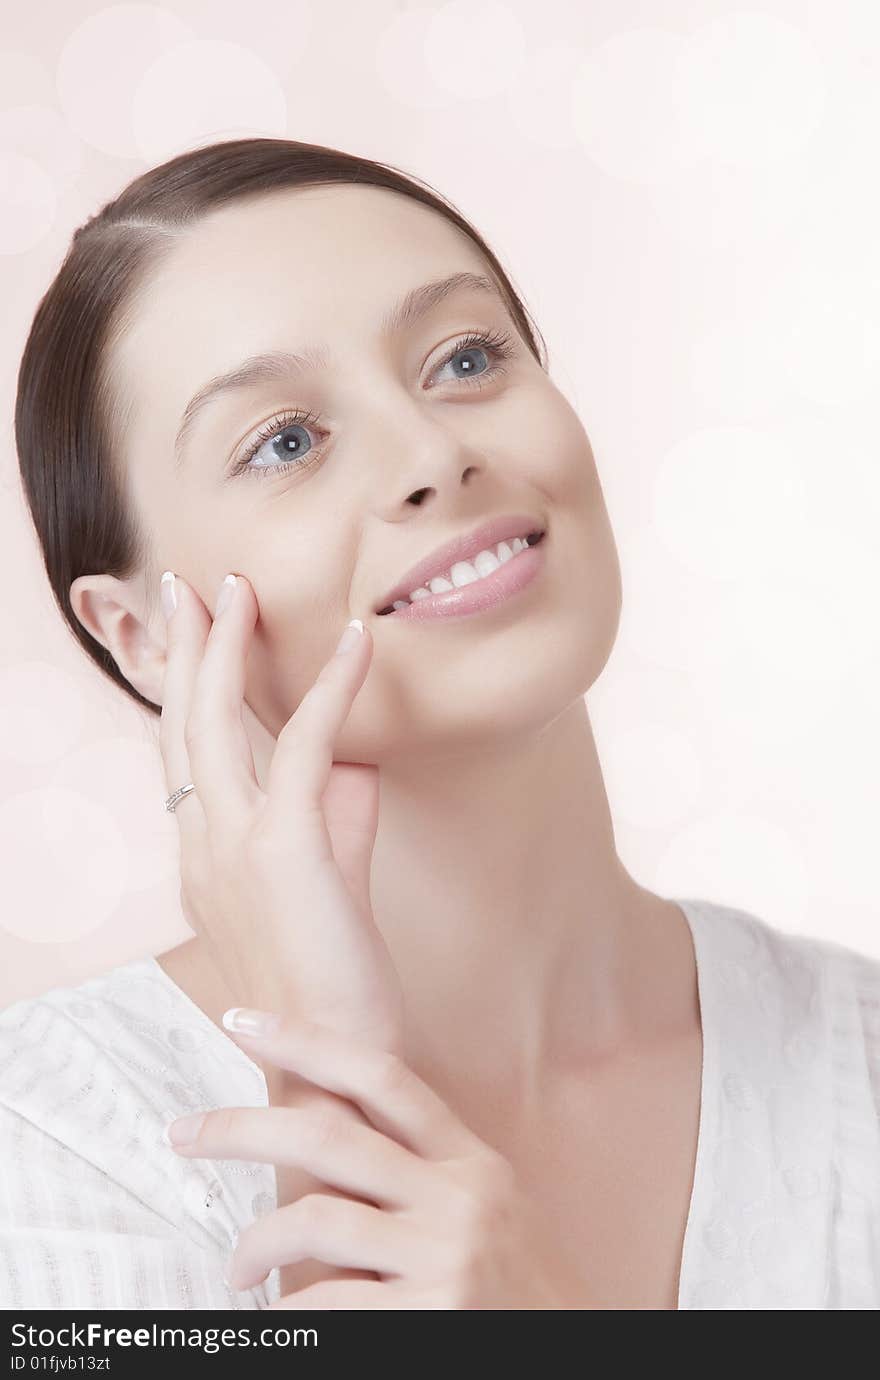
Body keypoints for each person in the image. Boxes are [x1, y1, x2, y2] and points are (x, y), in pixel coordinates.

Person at [3, 138, 878, 1311]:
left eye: (465, 358)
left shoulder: (854, 1061)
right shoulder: (53, 1143)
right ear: (145, 635)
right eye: (285, 441)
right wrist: (321, 1062)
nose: (432, 453)